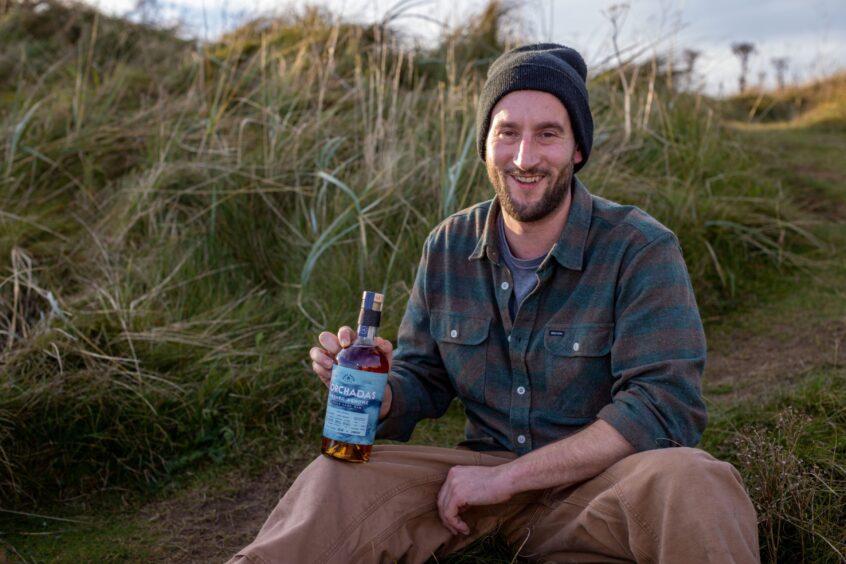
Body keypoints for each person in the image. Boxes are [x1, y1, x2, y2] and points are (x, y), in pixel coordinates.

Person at [229, 43, 759, 564]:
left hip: (596, 488)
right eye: (507, 133)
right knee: (335, 473)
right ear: (486, 143)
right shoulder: (447, 245)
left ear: (578, 148)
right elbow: (423, 378)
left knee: (697, 480)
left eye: (548, 134)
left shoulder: (640, 248)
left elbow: (664, 407)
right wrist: (378, 393)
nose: (525, 158)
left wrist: (507, 479)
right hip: (468, 487)